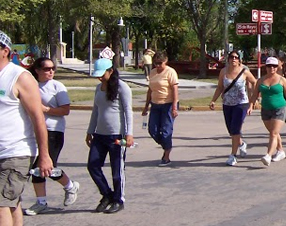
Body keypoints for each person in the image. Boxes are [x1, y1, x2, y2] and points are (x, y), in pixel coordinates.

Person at [0, 30, 53, 226]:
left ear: (5, 51)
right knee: (12, 202)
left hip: (16, 151)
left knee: (0, 204)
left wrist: (44, 155)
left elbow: (37, 119)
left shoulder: (19, 77)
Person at [24, 58, 79, 216]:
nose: (51, 71)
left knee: (46, 167)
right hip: (34, 131)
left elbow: (65, 110)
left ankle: (70, 186)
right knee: (36, 169)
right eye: (47, 69)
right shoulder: (32, 86)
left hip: (53, 131)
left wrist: (45, 109)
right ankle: (41, 202)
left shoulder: (57, 86)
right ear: (37, 70)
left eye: (53, 68)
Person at [86, 58, 133, 214]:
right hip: (99, 135)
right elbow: (95, 111)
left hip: (117, 136)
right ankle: (107, 194)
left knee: (117, 171)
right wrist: (90, 130)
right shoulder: (98, 88)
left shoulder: (122, 88)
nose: (100, 78)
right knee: (93, 165)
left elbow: (128, 112)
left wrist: (129, 134)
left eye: (102, 74)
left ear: (111, 71)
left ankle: (119, 199)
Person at [209, 51, 256, 166]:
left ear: (239, 60)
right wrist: (213, 100)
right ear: (228, 59)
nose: (233, 59)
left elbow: (255, 82)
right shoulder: (223, 72)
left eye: (236, 57)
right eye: (231, 57)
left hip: (241, 104)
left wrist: (253, 100)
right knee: (232, 131)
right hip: (227, 104)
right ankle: (241, 144)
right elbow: (220, 87)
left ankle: (233, 155)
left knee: (235, 129)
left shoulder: (245, 72)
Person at [250, 57, 286, 166]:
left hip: (279, 108)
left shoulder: (282, 80)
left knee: (273, 133)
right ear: (266, 67)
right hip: (265, 109)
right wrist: (250, 105)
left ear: (277, 67)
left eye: (274, 66)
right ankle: (281, 151)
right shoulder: (261, 80)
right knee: (273, 132)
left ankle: (268, 155)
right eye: (269, 66)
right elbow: (255, 94)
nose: (272, 68)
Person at [141, 52, 179, 167]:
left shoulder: (170, 72)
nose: (157, 66)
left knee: (166, 131)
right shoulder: (152, 73)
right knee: (152, 130)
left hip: (168, 105)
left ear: (165, 61)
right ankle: (167, 146)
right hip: (155, 105)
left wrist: (174, 107)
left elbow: (175, 90)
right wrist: (146, 106)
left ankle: (166, 157)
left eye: (160, 63)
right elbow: (150, 90)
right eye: (155, 63)